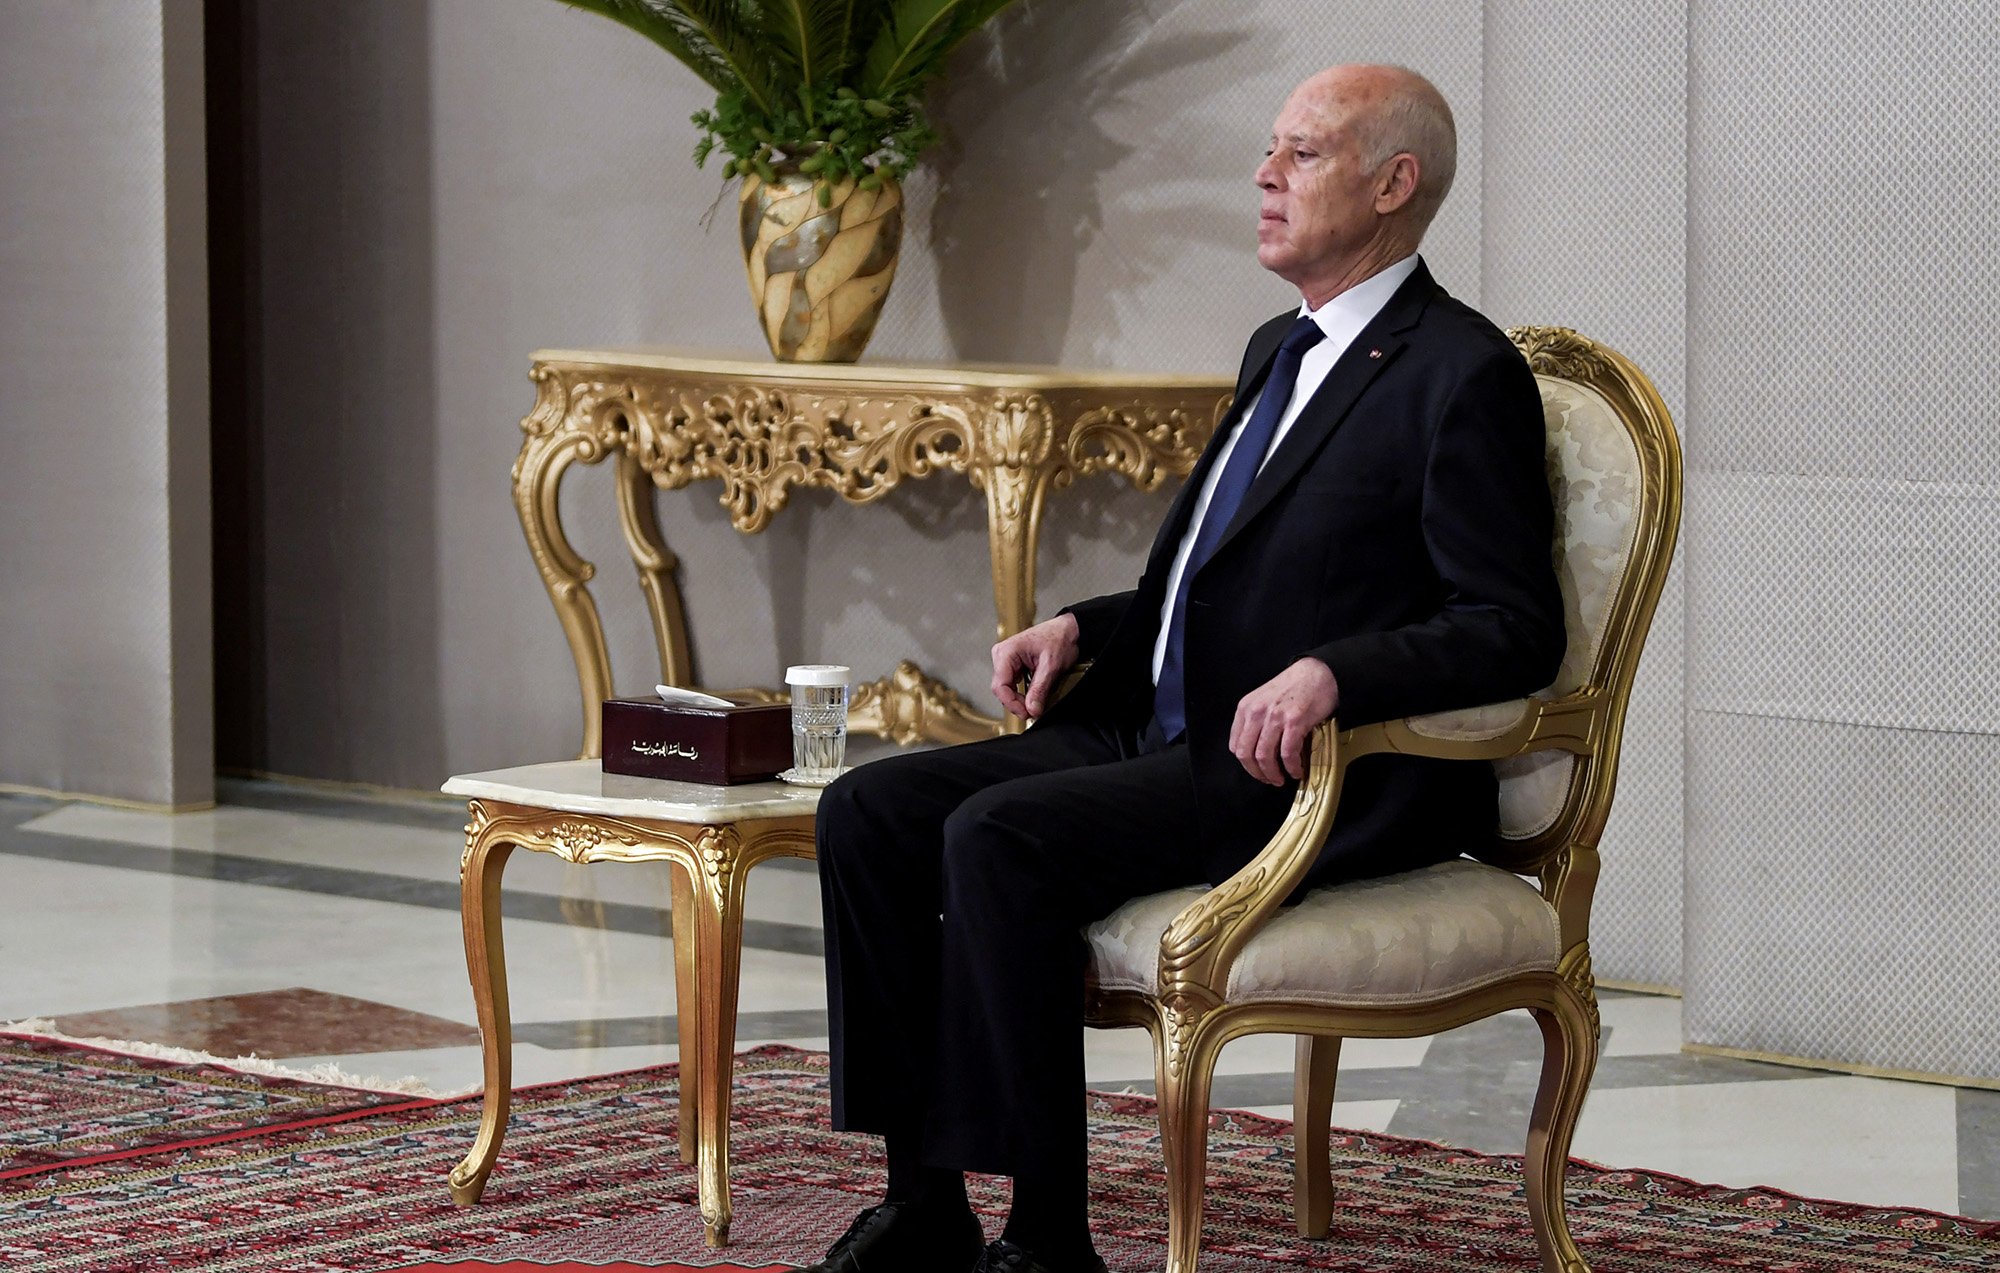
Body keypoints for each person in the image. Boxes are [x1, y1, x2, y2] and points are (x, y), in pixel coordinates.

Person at [803, 64, 1566, 1273]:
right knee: (868, 810)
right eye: (1269, 149)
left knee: (995, 837)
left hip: (1296, 767)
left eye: (1301, 154)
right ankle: (924, 1204)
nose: (1263, 175)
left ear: (1391, 184)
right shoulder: (1279, 344)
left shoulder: (1457, 372)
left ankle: (1048, 1237)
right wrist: (1087, 627)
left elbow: (1512, 624)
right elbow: (1222, 574)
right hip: (1152, 727)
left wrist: (1335, 672)